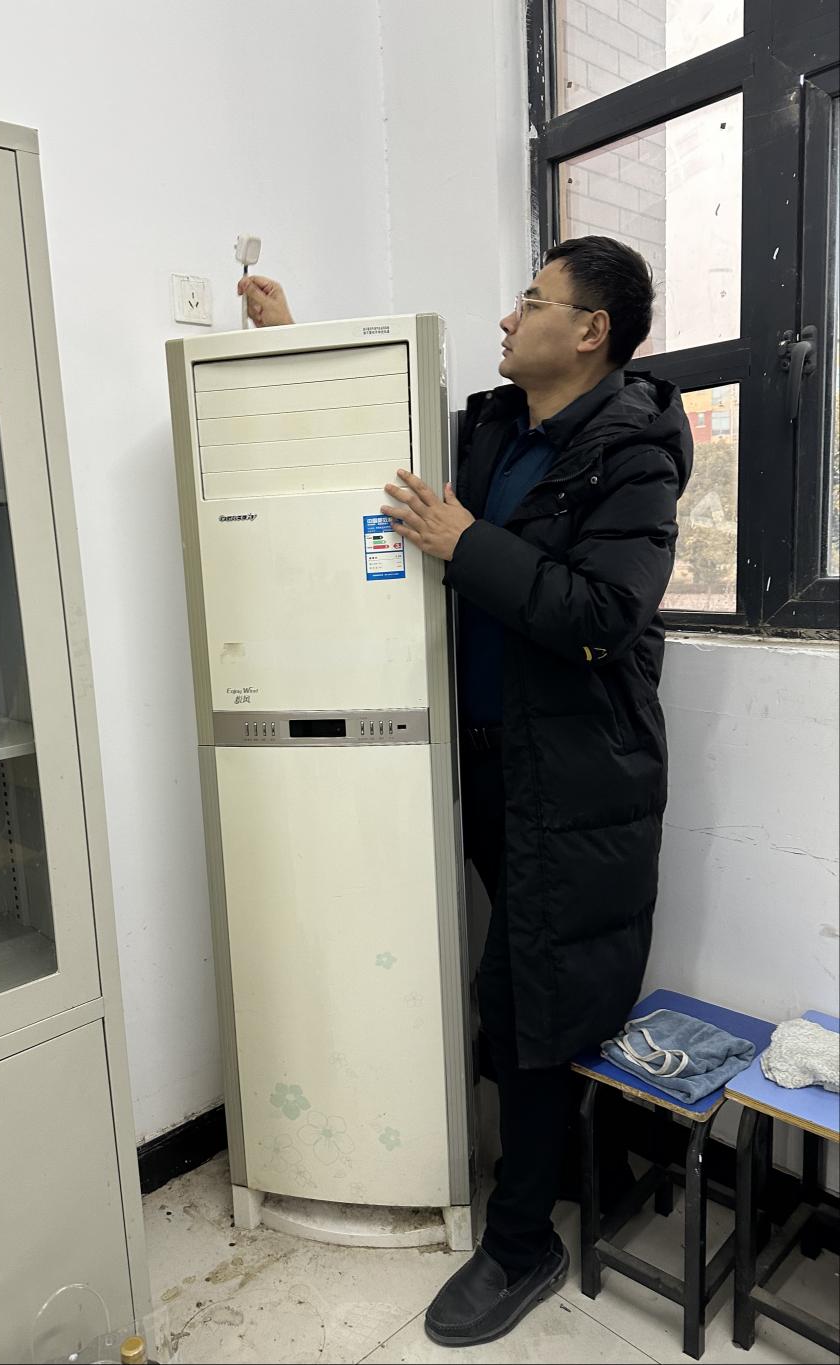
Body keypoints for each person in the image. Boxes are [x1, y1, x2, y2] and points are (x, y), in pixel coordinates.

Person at [237, 236, 692, 1347]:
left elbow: (600, 615)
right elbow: (380, 462)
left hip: (574, 779)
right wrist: (289, 339)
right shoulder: (495, 429)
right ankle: (582, 1167)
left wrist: (467, 541)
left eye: (531, 300)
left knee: (524, 999)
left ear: (589, 331)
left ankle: (522, 1243)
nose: (507, 317)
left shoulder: (633, 455)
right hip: (480, 760)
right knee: (524, 981)